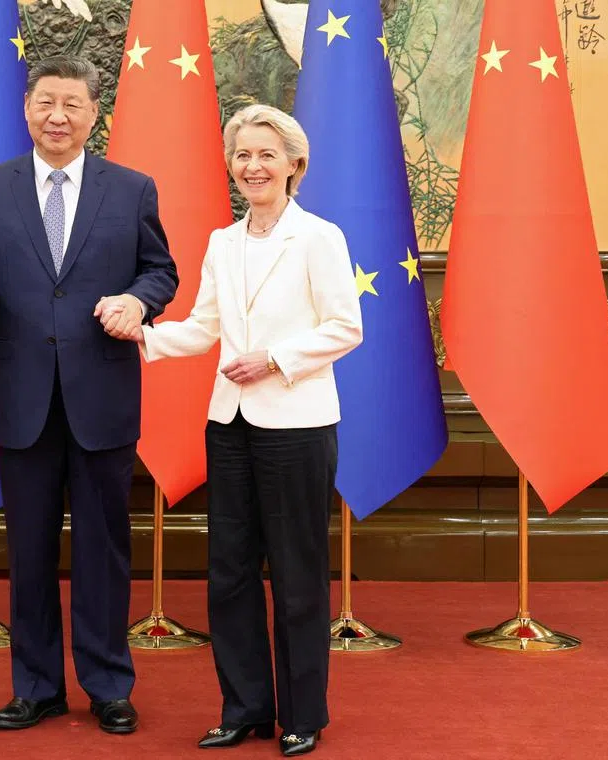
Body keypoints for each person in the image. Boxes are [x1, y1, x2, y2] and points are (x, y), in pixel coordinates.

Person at [0, 56, 178, 735]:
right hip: (20, 398)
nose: (58, 116)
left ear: (92, 113)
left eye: (72, 104)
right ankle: (36, 685)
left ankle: (108, 683)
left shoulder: (132, 188)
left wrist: (139, 304)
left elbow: (159, 271)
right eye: (46, 102)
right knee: (28, 549)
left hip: (102, 396)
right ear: (27, 108)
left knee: (104, 548)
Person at [132, 104, 362, 757]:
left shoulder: (320, 237)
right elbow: (204, 328)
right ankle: (245, 707)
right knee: (228, 574)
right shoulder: (220, 242)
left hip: (296, 423)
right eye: (242, 155)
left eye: (266, 154)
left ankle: (302, 714)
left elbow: (346, 327)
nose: (252, 166)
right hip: (228, 423)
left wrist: (275, 359)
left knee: (295, 572)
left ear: (294, 164)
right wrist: (138, 337)